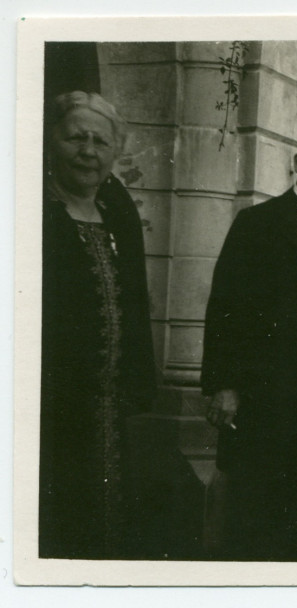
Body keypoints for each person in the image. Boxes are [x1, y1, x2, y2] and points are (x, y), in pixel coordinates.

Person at [201, 123, 297, 561]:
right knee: (259, 515)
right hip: (266, 399)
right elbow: (224, 307)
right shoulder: (258, 223)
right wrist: (224, 384)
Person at [40, 91, 157, 559]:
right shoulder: (30, 211)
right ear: (51, 142)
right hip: (44, 408)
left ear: (115, 152)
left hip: (106, 409)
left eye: (100, 141)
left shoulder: (117, 214)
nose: (88, 151)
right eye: (76, 138)